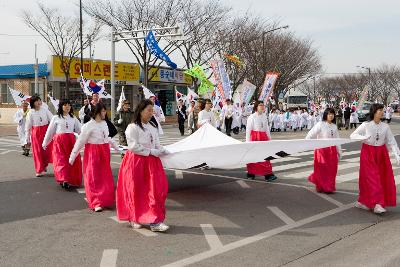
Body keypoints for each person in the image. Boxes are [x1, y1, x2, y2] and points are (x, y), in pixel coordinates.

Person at [116, 99, 170, 232]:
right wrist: (151, 151)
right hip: (136, 161)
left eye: (152, 110)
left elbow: (156, 143)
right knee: (136, 191)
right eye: (149, 110)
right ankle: (134, 217)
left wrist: (162, 150)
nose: (151, 113)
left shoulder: (152, 126)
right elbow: (133, 146)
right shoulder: (132, 127)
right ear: (140, 111)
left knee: (156, 191)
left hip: (152, 161)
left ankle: (155, 221)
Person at [69, 103, 120, 212]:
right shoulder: (88, 125)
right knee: (93, 176)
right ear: (96, 112)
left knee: (105, 177)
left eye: (104, 111)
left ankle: (105, 199)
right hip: (93, 152)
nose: (104, 113)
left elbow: (108, 138)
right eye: (102, 111)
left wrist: (118, 149)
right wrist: (73, 155)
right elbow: (81, 141)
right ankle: (95, 201)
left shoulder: (105, 123)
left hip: (104, 152)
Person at [350, 103, 400, 214]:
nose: (382, 112)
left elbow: (392, 142)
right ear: (374, 112)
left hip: (381, 153)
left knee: (382, 177)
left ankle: (365, 201)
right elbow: (352, 135)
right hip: (368, 153)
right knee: (372, 178)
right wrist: (364, 138)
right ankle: (378, 203)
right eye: (380, 110)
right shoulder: (366, 125)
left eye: (382, 110)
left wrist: (397, 156)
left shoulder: (385, 126)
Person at [42, 99, 82, 190]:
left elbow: (80, 130)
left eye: (69, 105)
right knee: (61, 160)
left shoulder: (73, 118)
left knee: (73, 160)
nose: (67, 107)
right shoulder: (56, 118)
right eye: (65, 105)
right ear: (61, 107)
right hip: (59, 142)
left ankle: (71, 178)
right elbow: (50, 131)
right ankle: (64, 180)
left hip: (71, 142)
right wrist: (45, 142)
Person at [306, 108, 342, 193]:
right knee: (321, 168)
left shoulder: (334, 126)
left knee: (332, 169)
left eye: (332, 114)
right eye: (329, 114)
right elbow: (310, 134)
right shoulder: (320, 124)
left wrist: (339, 152)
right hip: (321, 150)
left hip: (332, 150)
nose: (331, 116)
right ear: (326, 115)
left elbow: (337, 140)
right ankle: (320, 186)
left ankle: (329, 186)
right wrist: (307, 143)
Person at [245, 101, 278, 181]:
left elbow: (266, 129)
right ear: (256, 107)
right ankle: (251, 173)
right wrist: (247, 142)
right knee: (253, 157)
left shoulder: (264, 116)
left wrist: (269, 138)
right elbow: (248, 130)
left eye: (263, 105)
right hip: (255, 139)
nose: (262, 107)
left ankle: (268, 174)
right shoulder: (252, 117)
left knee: (265, 157)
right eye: (260, 105)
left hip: (263, 138)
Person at [25, 95, 54, 177]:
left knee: (46, 150)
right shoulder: (30, 112)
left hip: (45, 131)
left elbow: (52, 119)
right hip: (36, 133)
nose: (39, 102)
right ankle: (38, 169)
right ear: (33, 103)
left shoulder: (45, 110)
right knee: (37, 152)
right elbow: (28, 125)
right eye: (37, 101)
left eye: (39, 100)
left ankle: (44, 165)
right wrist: (27, 138)